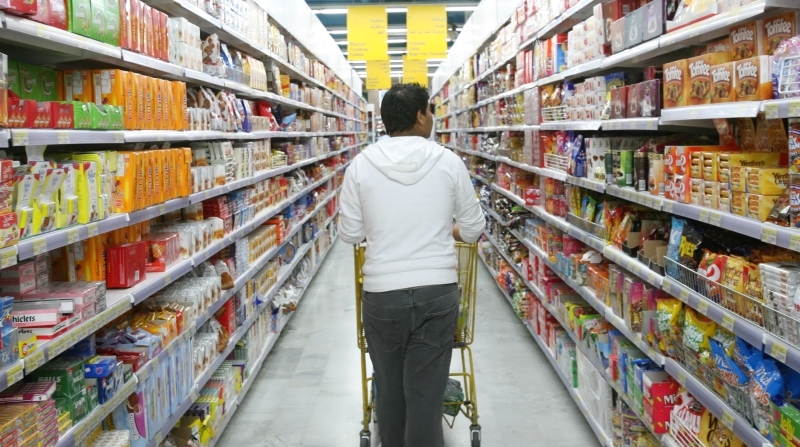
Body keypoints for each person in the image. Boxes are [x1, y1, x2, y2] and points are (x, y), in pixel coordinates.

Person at [339, 83, 486, 447]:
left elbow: (350, 233)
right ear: (421, 116)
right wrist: (447, 229)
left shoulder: (360, 165)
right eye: (430, 111)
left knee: (389, 392)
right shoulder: (449, 162)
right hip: (437, 294)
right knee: (426, 396)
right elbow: (473, 229)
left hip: (382, 296)